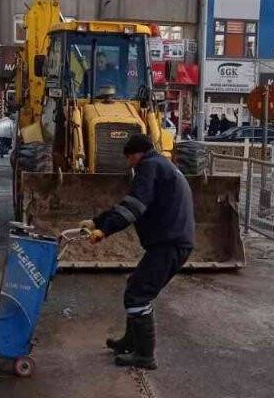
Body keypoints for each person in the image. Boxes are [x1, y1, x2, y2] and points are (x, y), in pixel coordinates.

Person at [79, 134, 194, 370]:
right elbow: (129, 202)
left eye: (129, 159)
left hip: (170, 243)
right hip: (172, 239)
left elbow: (134, 207)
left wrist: (105, 231)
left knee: (138, 294)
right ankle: (130, 342)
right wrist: (97, 221)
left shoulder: (148, 167)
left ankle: (145, 355)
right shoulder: (161, 164)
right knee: (135, 285)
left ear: (135, 154)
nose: (130, 164)